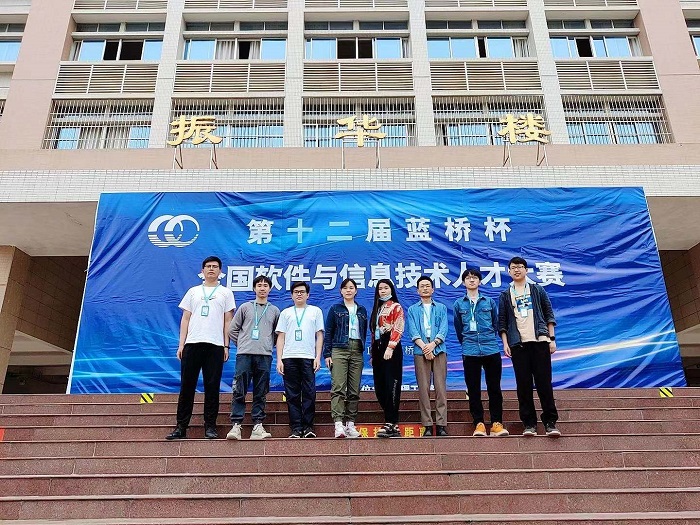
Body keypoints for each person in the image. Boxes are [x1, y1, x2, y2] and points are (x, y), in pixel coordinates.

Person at [166, 256, 235, 440]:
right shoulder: (193, 291)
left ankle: (210, 426)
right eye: (208, 266)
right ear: (202, 270)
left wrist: (226, 345)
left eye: (215, 267)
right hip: (192, 344)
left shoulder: (226, 293)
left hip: (215, 345)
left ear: (220, 271)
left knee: (212, 387)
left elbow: (228, 321)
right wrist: (181, 344)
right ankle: (181, 427)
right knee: (187, 386)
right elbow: (185, 319)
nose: (211, 269)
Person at [498, 256, 560, 437]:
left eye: (520, 267)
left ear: (526, 270)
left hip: (540, 342)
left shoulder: (537, 289)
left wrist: (552, 338)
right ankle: (529, 424)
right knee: (523, 385)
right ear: (509, 271)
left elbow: (549, 314)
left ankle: (550, 422)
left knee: (544, 383)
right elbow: (502, 322)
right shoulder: (505, 295)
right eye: (513, 267)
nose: (516, 270)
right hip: (518, 345)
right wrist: (506, 343)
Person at [454, 268, 508, 437]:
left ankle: (497, 424)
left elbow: (495, 323)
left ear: (480, 281)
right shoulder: (459, 304)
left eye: (475, 277)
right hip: (470, 350)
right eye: (468, 278)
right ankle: (479, 424)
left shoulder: (489, 302)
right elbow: (458, 328)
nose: (471, 280)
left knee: (494, 388)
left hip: (490, 348)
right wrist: (467, 342)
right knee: (473, 389)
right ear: (463, 282)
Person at [226, 275, 280, 441]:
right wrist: (243, 344)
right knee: (239, 389)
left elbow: (278, 335)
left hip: (264, 356)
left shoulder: (275, 311)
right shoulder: (245, 307)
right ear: (254, 288)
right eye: (259, 285)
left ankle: (257, 425)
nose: (262, 288)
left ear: (270, 289)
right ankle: (236, 425)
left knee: (261, 391)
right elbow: (232, 330)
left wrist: (268, 344)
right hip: (244, 355)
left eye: (265, 285)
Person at [276, 281, 324, 438]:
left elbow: (319, 335)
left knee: (309, 392)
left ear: (308, 295)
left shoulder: (315, 311)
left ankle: (308, 427)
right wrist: (279, 360)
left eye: (302, 291)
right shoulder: (286, 313)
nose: (299, 294)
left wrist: (317, 357)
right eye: (296, 292)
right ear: (291, 295)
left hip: (308, 357)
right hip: (289, 357)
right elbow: (281, 337)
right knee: (292, 394)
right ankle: (296, 428)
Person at [324, 278, 368, 439]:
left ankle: (350, 424)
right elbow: (329, 331)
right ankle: (338, 424)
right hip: (339, 349)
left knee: (354, 389)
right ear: (341, 291)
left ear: (356, 291)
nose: (348, 290)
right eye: (345, 288)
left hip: (357, 349)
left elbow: (364, 332)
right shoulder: (335, 308)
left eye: (351, 288)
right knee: (338, 387)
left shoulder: (361, 310)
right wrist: (327, 354)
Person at [407, 276, 449, 437]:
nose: (425, 288)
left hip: (439, 349)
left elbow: (444, 329)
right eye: (422, 286)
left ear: (432, 289)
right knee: (423, 389)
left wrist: (433, 345)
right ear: (417, 290)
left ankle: (441, 424)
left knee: (440, 388)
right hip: (420, 350)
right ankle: (427, 425)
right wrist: (425, 347)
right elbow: (413, 331)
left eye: (427, 286)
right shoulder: (412, 310)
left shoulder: (441, 308)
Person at [370, 278, 405, 438]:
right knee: (380, 387)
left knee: (392, 385)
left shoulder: (396, 307)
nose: (383, 291)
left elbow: (398, 327)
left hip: (391, 347)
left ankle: (390, 421)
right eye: (380, 288)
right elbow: (374, 332)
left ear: (391, 290)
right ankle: (394, 425)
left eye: (386, 288)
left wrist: (391, 346)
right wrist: (374, 354)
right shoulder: (377, 308)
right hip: (378, 349)